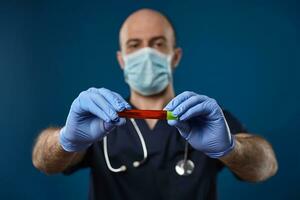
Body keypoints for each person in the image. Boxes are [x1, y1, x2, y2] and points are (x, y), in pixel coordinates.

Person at [32, 8, 278, 200]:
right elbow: (43, 161)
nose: (147, 53)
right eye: (134, 45)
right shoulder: (98, 119)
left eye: (158, 43)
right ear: (122, 59)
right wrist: (65, 139)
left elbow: (266, 167)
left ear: (176, 56)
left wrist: (230, 147)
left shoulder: (207, 119)